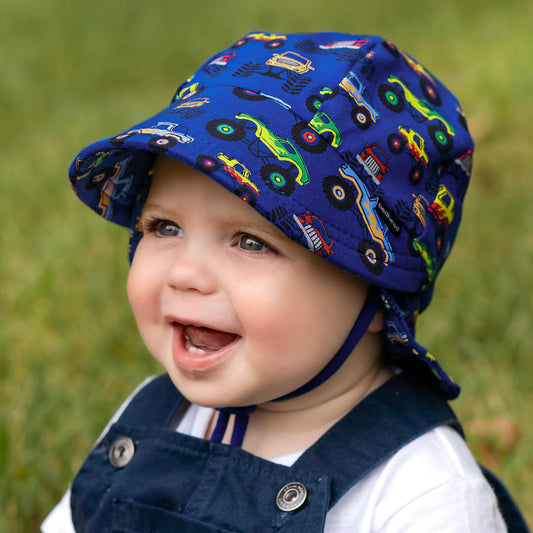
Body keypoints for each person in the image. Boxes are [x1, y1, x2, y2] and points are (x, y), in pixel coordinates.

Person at [42, 31, 520, 532]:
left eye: (251, 242)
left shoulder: (423, 494)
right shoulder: (147, 419)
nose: (184, 273)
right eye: (165, 227)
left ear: (381, 294)